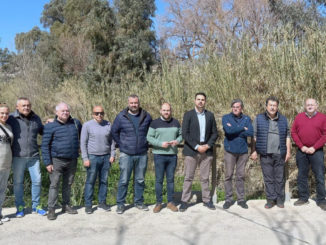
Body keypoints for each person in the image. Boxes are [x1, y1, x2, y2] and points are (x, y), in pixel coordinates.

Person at [112, 95, 152, 214]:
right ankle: (120, 204)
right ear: (128, 103)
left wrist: (146, 142)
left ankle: (139, 202)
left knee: (140, 179)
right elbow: (114, 131)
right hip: (126, 154)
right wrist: (121, 144)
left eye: (136, 103)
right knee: (124, 180)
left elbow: (152, 131)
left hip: (142, 153)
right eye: (131, 103)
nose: (134, 105)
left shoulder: (146, 116)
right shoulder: (121, 116)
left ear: (139, 103)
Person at [41, 102, 82, 220]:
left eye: (67, 111)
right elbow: (45, 146)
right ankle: (51, 209)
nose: (65, 112)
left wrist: (78, 146)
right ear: (56, 112)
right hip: (56, 160)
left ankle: (66, 205)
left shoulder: (75, 123)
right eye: (62, 111)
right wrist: (48, 162)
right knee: (54, 185)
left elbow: (82, 135)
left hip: (72, 159)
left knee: (68, 184)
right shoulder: (50, 126)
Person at [7, 97, 46, 217]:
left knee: (37, 181)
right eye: (23, 105)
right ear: (17, 107)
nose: (26, 107)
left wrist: (51, 124)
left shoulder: (36, 118)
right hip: (18, 156)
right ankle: (20, 207)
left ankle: (36, 206)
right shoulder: (11, 119)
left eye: (28, 105)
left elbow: (43, 131)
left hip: (34, 156)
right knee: (18, 183)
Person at [179, 92, 218, 212]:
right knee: (189, 177)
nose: (200, 101)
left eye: (202, 100)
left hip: (206, 151)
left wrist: (207, 145)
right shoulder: (188, 115)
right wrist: (196, 146)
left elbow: (215, 133)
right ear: (195, 101)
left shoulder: (210, 115)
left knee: (205, 177)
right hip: (191, 150)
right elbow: (185, 133)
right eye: (198, 99)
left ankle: (207, 200)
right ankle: (184, 201)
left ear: (205, 101)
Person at [251, 96, 291, 209]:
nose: (272, 107)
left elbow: (288, 136)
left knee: (279, 178)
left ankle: (279, 199)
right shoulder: (259, 118)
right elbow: (253, 135)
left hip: (280, 153)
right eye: (270, 105)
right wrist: (253, 151)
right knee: (268, 178)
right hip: (265, 153)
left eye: (275, 105)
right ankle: (270, 199)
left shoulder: (283, 119)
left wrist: (288, 151)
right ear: (266, 106)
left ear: (277, 107)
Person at [147, 102, 182, 213]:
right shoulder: (154, 123)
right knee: (159, 180)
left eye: (168, 110)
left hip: (172, 155)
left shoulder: (176, 122)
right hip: (159, 155)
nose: (166, 112)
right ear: (161, 111)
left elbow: (181, 135)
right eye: (164, 110)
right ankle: (158, 203)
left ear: (171, 111)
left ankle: (170, 202)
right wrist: (160, 143)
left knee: (170, 180)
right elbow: (149, 137)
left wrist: (177, 141)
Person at [291, 98, 326, 210]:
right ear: (305, 106)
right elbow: (293, 132)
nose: (310, 106)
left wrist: (314, 147)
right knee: (302, 175)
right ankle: (303, 198)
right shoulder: (299, 117)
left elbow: (325, 135)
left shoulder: (322, 117)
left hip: (317, 151)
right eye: (308, 105)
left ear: (316, 106)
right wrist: (302, 146)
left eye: (312, 104)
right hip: (302, 150)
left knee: (319, 175)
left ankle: (321, 200)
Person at [80, 106, 116, 214]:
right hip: (93, 157)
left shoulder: (108, 125)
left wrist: (112, 154)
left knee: (104, 181)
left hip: (106, 157)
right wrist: (85, 158)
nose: (99, 115)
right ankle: (88, 204)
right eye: (96, 113)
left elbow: (112, 141)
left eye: (101, 113)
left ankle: (102, 202)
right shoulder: (87, 125)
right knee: (90, 181)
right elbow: (83, 143)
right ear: (93, 114)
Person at [222, 99, 253, 209]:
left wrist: (235, 129)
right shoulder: (226, 118)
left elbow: (250, 132)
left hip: (243, 151)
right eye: (234, 106)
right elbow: (228, 131)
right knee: (228, 175)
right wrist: (242, 128)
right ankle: (228, 199)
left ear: (241, 108)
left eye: (238, 107)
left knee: (240, 176)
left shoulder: (246, 118)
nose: (235, 108)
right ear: (231, 108)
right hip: (230, 151)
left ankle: (240, 199)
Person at [0, 104, 13, 225]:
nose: (4, 115)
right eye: (2, 113)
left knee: (2, 190)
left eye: (6, 113)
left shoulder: (8, 126)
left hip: (6, 163)